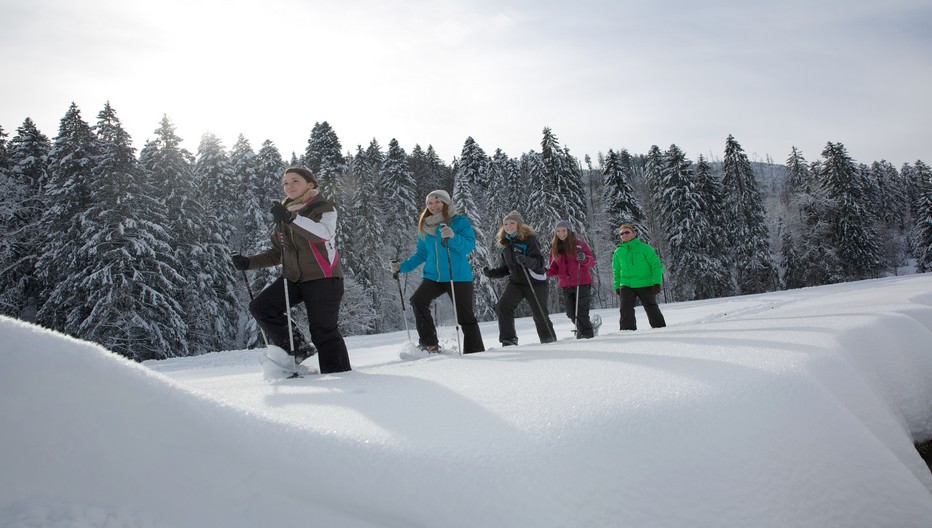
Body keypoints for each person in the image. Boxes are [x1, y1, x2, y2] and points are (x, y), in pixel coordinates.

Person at [231, 166, 352, 374]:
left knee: (323, 331)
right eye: (285, 183)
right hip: (294, 278)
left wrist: (291, 218)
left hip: (324, 277)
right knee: (261, 307)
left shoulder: (323, 208)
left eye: (295, 181)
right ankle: (300, 349)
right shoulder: (285, 214)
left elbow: (323, 234)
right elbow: (278, 253)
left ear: (310, 184)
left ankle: (340, 375)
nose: (289, 186)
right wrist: (248, 262)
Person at [390, 190, 485, 353]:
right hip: (434, 276)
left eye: (437, 201)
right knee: (417, 301)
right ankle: (429, 344)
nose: (434, 206)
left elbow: (468, 247)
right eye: (430, 203)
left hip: (458, 276)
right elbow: (421, 254)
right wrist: (402, 267)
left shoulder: (459, 222)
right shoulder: (425, 226)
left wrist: (453, 236)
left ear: (446, 203)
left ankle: (476, 351)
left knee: (465, 316)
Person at [483, 211, 555, 346]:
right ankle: (508, 340)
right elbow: (506, 268)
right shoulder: (505, 244)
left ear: (519, 225)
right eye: (506, 224)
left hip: (535, 281)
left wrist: (526, 260)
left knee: (540, 313)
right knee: (503, 306)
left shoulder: (529, 239)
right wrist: (492, 273)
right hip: (516, 282)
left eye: (512, 223)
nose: (508, 226)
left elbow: (539, 262)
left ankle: (549, 341)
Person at [546, 220, 600, 339]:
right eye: (558, 231)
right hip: (565, 284)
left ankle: (587, 335)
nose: (561, 233)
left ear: (569, 231)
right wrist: (544, 272)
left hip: (582, 282)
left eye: (564, 230)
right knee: (571, 313)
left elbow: (591, 261)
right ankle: (587, 328)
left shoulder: (579, 245)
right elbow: (553, 268)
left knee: (581, 312)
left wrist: (584, 258)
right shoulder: (554, 248)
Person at [611, 223, 666, 331]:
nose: (624, 235)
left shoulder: (644, 248)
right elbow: (616, 271)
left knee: (651, 307)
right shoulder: (618, 252)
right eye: (621, 233)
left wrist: (657, 282)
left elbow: (656, 265)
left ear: (634, 233)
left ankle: (660, 329)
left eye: (627, 232)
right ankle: (627, 332)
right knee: (625, 309)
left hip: (645, 283)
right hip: (626, 284)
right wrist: (617, 286)